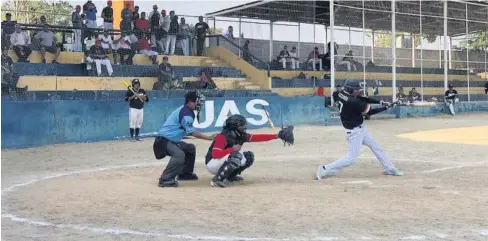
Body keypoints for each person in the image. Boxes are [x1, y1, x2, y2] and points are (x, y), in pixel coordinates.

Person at [316, 79, 403, 180]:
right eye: (356, 89)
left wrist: (381, 102)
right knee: (351, 158)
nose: (358, 91)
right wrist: (386, 107)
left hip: (360, 129)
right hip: (354, 132)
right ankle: (324, 169)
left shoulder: (340, 94)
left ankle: (389, 168)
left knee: (376, 147)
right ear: (350, 89)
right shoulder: (353, 102)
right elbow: (370, 112)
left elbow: (363, 98)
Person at [206, 115, 294, 188]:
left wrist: (277, 136)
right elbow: (215, 154)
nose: (244, 128)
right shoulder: (222, 137)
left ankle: (230, 176)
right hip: (212, 163)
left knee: (248, 157)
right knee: (236, 156)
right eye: (241, 126)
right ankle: (216, 180)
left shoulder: (240, 135)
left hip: (222, 161)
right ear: (234, 127)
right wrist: (232, 149)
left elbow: (257, 137)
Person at [154, 91, 216, 188]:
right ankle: (165, 179)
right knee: (179, 155)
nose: (199, 104)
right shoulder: (186, 113)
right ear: (190, 102)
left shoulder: (187, 111)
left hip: (172, 141)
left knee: (190, 148)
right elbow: (192, 132)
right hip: (163, 141)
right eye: (197, 102)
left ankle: (185, 174)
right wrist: (209, 138)